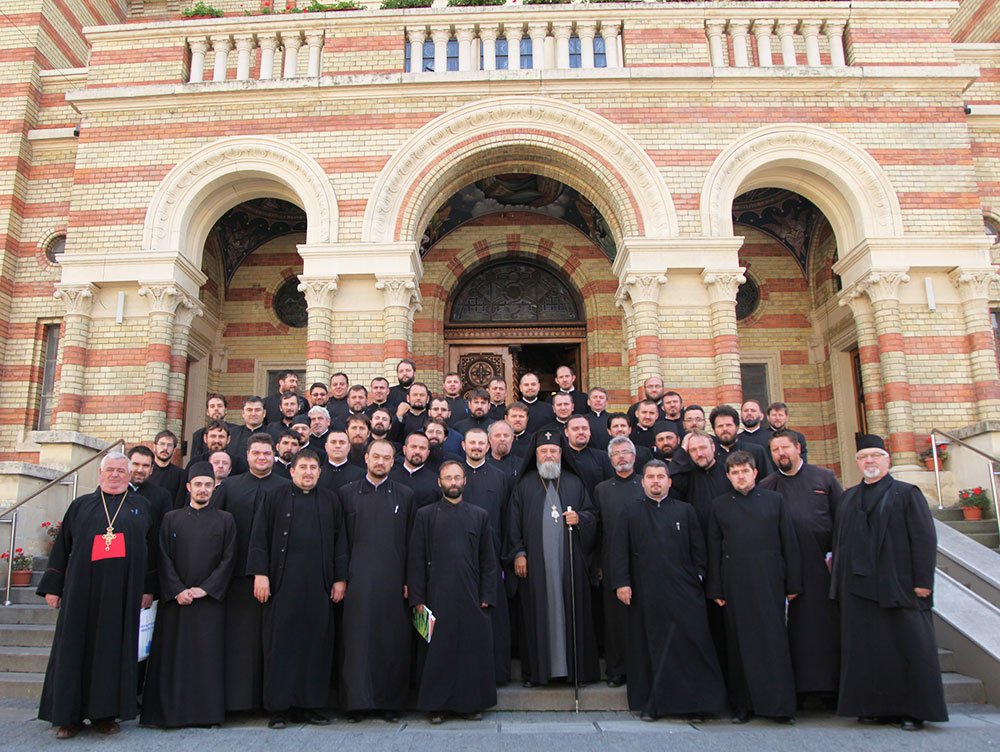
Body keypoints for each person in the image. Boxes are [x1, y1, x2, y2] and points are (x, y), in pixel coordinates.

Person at [830, 434, 947, 731]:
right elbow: (840, 543)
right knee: (868, 652)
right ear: (857, 462)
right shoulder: (849, 497)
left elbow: (923, 539)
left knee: (908, 648)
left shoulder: (907, 494)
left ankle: (912, 711)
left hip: (899, 584)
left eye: (875, 456)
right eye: (864, 457)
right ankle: (875, 707)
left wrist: (923, 582)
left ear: (887, 459)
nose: (869, 461)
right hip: (858, 589)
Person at [37, 452, 156, 739]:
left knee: (112, 652)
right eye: (110, 470)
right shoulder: (80, 506)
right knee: (73, 649)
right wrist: (53, 587)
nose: (115, 475)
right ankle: (68, 717)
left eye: (121, 471)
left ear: (129, 476)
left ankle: (105, 715)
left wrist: (149, 589)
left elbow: (151, 553)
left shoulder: (142, 507)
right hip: (80, 592)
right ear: (100, 474)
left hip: (122, 595)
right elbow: (61, 548)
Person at [612, 461, 728, 722]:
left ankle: (697, 705)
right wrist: (622, 582)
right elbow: (619, 551)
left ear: (669, 481)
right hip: (645, 593)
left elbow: (700, 551)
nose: (655, 481)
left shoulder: (686, 511)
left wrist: (696, 577)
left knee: (692, 646)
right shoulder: (630, 511)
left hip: (685, 593)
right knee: (651, 649)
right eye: (650, 477)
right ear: (643, 483)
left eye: (660, 477)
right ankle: (653, 705)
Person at [248, 449, 348, 729]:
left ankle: (309, 705)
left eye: (313, 468)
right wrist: (261, 575)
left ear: (320, 472)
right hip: (282, 584)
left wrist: (340, 579)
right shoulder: (274, 497)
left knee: (316, 645)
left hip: (319, 584)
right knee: (281, 645)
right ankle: (278, 709)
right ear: (291, 471)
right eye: (302, 467)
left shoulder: (330, 500)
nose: (307, 472)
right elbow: (259, 536)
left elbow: (341, 541)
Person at [707, 451, 801, 724]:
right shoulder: (719, 505)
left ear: (755, 472)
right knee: (739, 647)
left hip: (770, 581)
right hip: (734, 584)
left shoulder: (775, 501)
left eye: (744, 471)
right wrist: (716, 589)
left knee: (773, 644)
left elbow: (789, 543)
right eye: (734, 472)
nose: (740, 476)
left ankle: (779, 707)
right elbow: (714, 548)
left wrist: (792, 583)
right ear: (728, 476)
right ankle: (742, 706)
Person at [141, 463, 236, 728]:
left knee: (207, 658)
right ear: (188, 487)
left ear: (215, 487)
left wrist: (205, 588)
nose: (203, 489)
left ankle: (205, 714)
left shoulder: (225, 520)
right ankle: (169, 714)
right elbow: (163, 556)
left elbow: (229, 559)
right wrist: (177, 589)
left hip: (209, 602)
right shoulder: (171, 518)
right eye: (198, 484)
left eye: (208, 484)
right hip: (177, 601)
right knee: (173, 658)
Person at [408, 461, 498, 723]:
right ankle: (436, 706)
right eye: (448, 477)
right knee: (435, 652)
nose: (453, 482)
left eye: (457, 477)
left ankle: (469, 705)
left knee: (470, 651)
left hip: (471, 595)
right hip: (433, 596)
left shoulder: (479, 515)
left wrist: (486, 596)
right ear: (439, 482)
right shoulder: (425, 515)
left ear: (465, 481)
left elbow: (488, 561)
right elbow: (416, 559)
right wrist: (418, 599)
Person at [507, 432, 599, 687]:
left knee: (571, 611)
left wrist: (581, 518)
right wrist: (519, 553)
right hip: (535, 565)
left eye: (553, 452)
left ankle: (574, 671)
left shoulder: (574, 483)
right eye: (543, 452)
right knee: (535, 615)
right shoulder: (524, 485)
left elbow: (593, 514)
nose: (549, 455)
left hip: (569, 564)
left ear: (561, 455)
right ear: (535, 456)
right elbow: (513, 524)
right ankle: (537, 672)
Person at [758, 429, 843, 704]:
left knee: (823, 630)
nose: (780, 454)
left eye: (785, 448)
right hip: (786, 568)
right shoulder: (767, 485)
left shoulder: (824, 478)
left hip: (822, 565)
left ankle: (830, 690)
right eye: (775, 450)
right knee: (795, 631)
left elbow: (842, 522)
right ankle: (800, 691)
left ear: (797, 448)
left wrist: (835, 557)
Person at [338, 439, 415, 722]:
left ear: (393, 461)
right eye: (376, 457)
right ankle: (356, 703)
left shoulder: (405, 495)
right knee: (357, 641)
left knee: (391, 641)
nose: (381, 462)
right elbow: (340, 541)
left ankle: (389, 704)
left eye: (387, 457)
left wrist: (410, 580)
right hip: (356, 581)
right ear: (366, 459)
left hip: (393, 581)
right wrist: (340, 578)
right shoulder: (346, 494)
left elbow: (411, 543)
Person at [213, 433, 291, 713]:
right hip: (235, 578)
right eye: (256, 453)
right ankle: (239, 703)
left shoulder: (286, 486)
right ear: (246, 456)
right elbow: (215, 530)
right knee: (239, 643)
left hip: (277, 578)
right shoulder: (229, 487)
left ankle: (269, 702)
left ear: (275, 455)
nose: (262, 458)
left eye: (267, 454)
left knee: (271, 642)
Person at [462, 426, 514, 685]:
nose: (477, 447)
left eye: (481, 443)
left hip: (492, 556)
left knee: (493, 615)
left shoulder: (500, 476)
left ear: (488, 446)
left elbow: (506, 517)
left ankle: (496, 673)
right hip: (460, 558)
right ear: (464, 446)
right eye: (472, 443)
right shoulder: (454, 476)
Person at [592, 436, 644, 688]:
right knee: (614, 620)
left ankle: (641, 667)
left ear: (634, 457)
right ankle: (616, 670)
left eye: (626, 452)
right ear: (610, 459)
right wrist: (599, 564)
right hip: (612, 561)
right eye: (616, 454)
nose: (621, 457)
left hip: (644, 561)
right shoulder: (602, 489)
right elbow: (599, 528)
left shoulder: (645, 485)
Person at [709, 405, 773, 476]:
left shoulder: (757, 451)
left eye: (729, 425)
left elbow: (768, 481)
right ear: (714, 429)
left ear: (737, 427)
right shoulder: (710, 455)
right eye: (720, 426)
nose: (725, 429)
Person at [390, 431, 440, 510]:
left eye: (422, 448)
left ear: (428, 453)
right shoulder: (390, 478)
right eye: (413, 447)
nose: (417, 451)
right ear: (404, 449)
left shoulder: (436, 482)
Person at [318, 428, 366, 492]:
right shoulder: (317, 474)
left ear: (349, 447)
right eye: (333, 442)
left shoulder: (361, 475)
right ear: (326, 446)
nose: (337, 446)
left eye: (342, 442)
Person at [148, 430, 185, 498]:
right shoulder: (146, 471)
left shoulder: (181, 475)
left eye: (169, 445)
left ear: (174, 450)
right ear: (154, 447)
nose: (165, 448)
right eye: (162, 444)